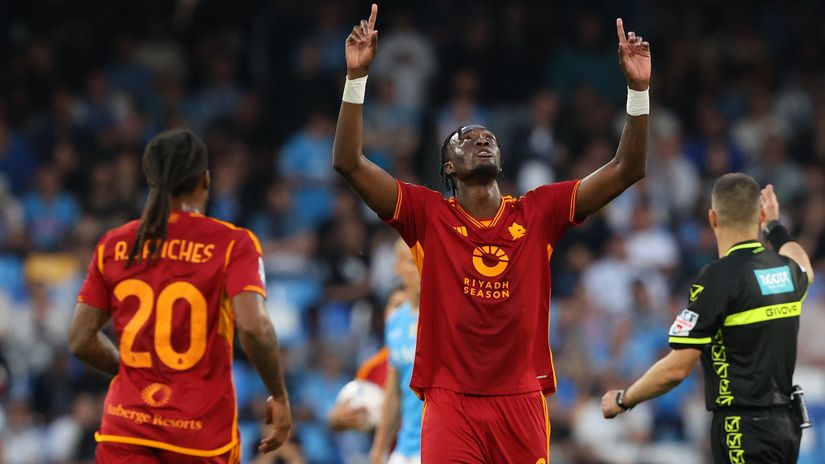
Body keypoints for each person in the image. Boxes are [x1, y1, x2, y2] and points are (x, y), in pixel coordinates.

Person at [333, 4, 651, 462]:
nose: (482, 140)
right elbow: (349, 163)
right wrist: (356, 79)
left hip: (521, 400)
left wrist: (638, 91)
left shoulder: (540, 210)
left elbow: (628, 168)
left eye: (489, 138)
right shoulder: (427, 215)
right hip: (450, 402)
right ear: (448, 167)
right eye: (466, 138)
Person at [68, 129, 292, 463]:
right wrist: (278, 394)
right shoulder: (233, 244)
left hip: (126, 428)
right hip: (200, 437)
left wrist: (128, 370)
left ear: (151, 179)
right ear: (205, 179)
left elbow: (81, 340)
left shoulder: (115, 244)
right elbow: (254, 327)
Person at [601, 176, 814, 464]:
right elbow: (804, 265)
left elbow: (675, 370)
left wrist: (623, 399)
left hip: (742, 428)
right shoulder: (785, 272)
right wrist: (775, 226)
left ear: (713, 218)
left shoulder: (717, 279)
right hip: (786, 429)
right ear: (760, 215)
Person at [370, 240, 423, 464]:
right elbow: (393, 393)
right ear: (398, 267)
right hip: (405, 448)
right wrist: (379, 450)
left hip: (441, 443)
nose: (422, 269)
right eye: (413, 263)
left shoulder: (447, 317)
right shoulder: (395, 320)